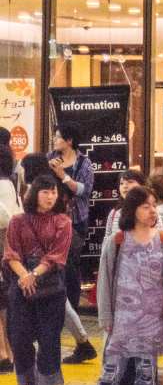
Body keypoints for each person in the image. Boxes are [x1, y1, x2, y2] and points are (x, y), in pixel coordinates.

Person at [86, 187, 163, 385]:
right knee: (110, 373)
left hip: (151, 319)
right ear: (132, 210)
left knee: (146, 374)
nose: (152, 210)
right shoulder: (118, 240)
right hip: (121, 320)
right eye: (146, 206)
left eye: (154, 205)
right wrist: (105, 316)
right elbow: (105, 278)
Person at [5, 176, 71, 385]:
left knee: (49, 338)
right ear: (35, 193)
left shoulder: (62, 221)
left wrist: (33, 275)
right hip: (21, 286)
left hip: (50, 287)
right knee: (19, 336)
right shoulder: (17, 221)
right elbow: (11, 253)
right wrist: (25, 276)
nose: (50, 197)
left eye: (54, 192)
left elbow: (56, 256)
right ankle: (30, 381)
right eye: (45, 192)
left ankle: (43, 384)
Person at [48, 124, 97, 365]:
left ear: (69, 140)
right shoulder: (50, 158)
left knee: (69, 271)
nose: (54, 140)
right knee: (53, 271)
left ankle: (73, 316)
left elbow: (84, 191)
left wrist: (63, 176)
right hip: (51, 222)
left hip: (75, 223)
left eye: (58, 137)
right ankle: (60, 326)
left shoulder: (84, 163)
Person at [0, 129, 18, 374]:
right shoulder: (10, 182)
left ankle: (4, 353)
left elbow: (5, 217)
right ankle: (8, 352)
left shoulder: (3, 184)